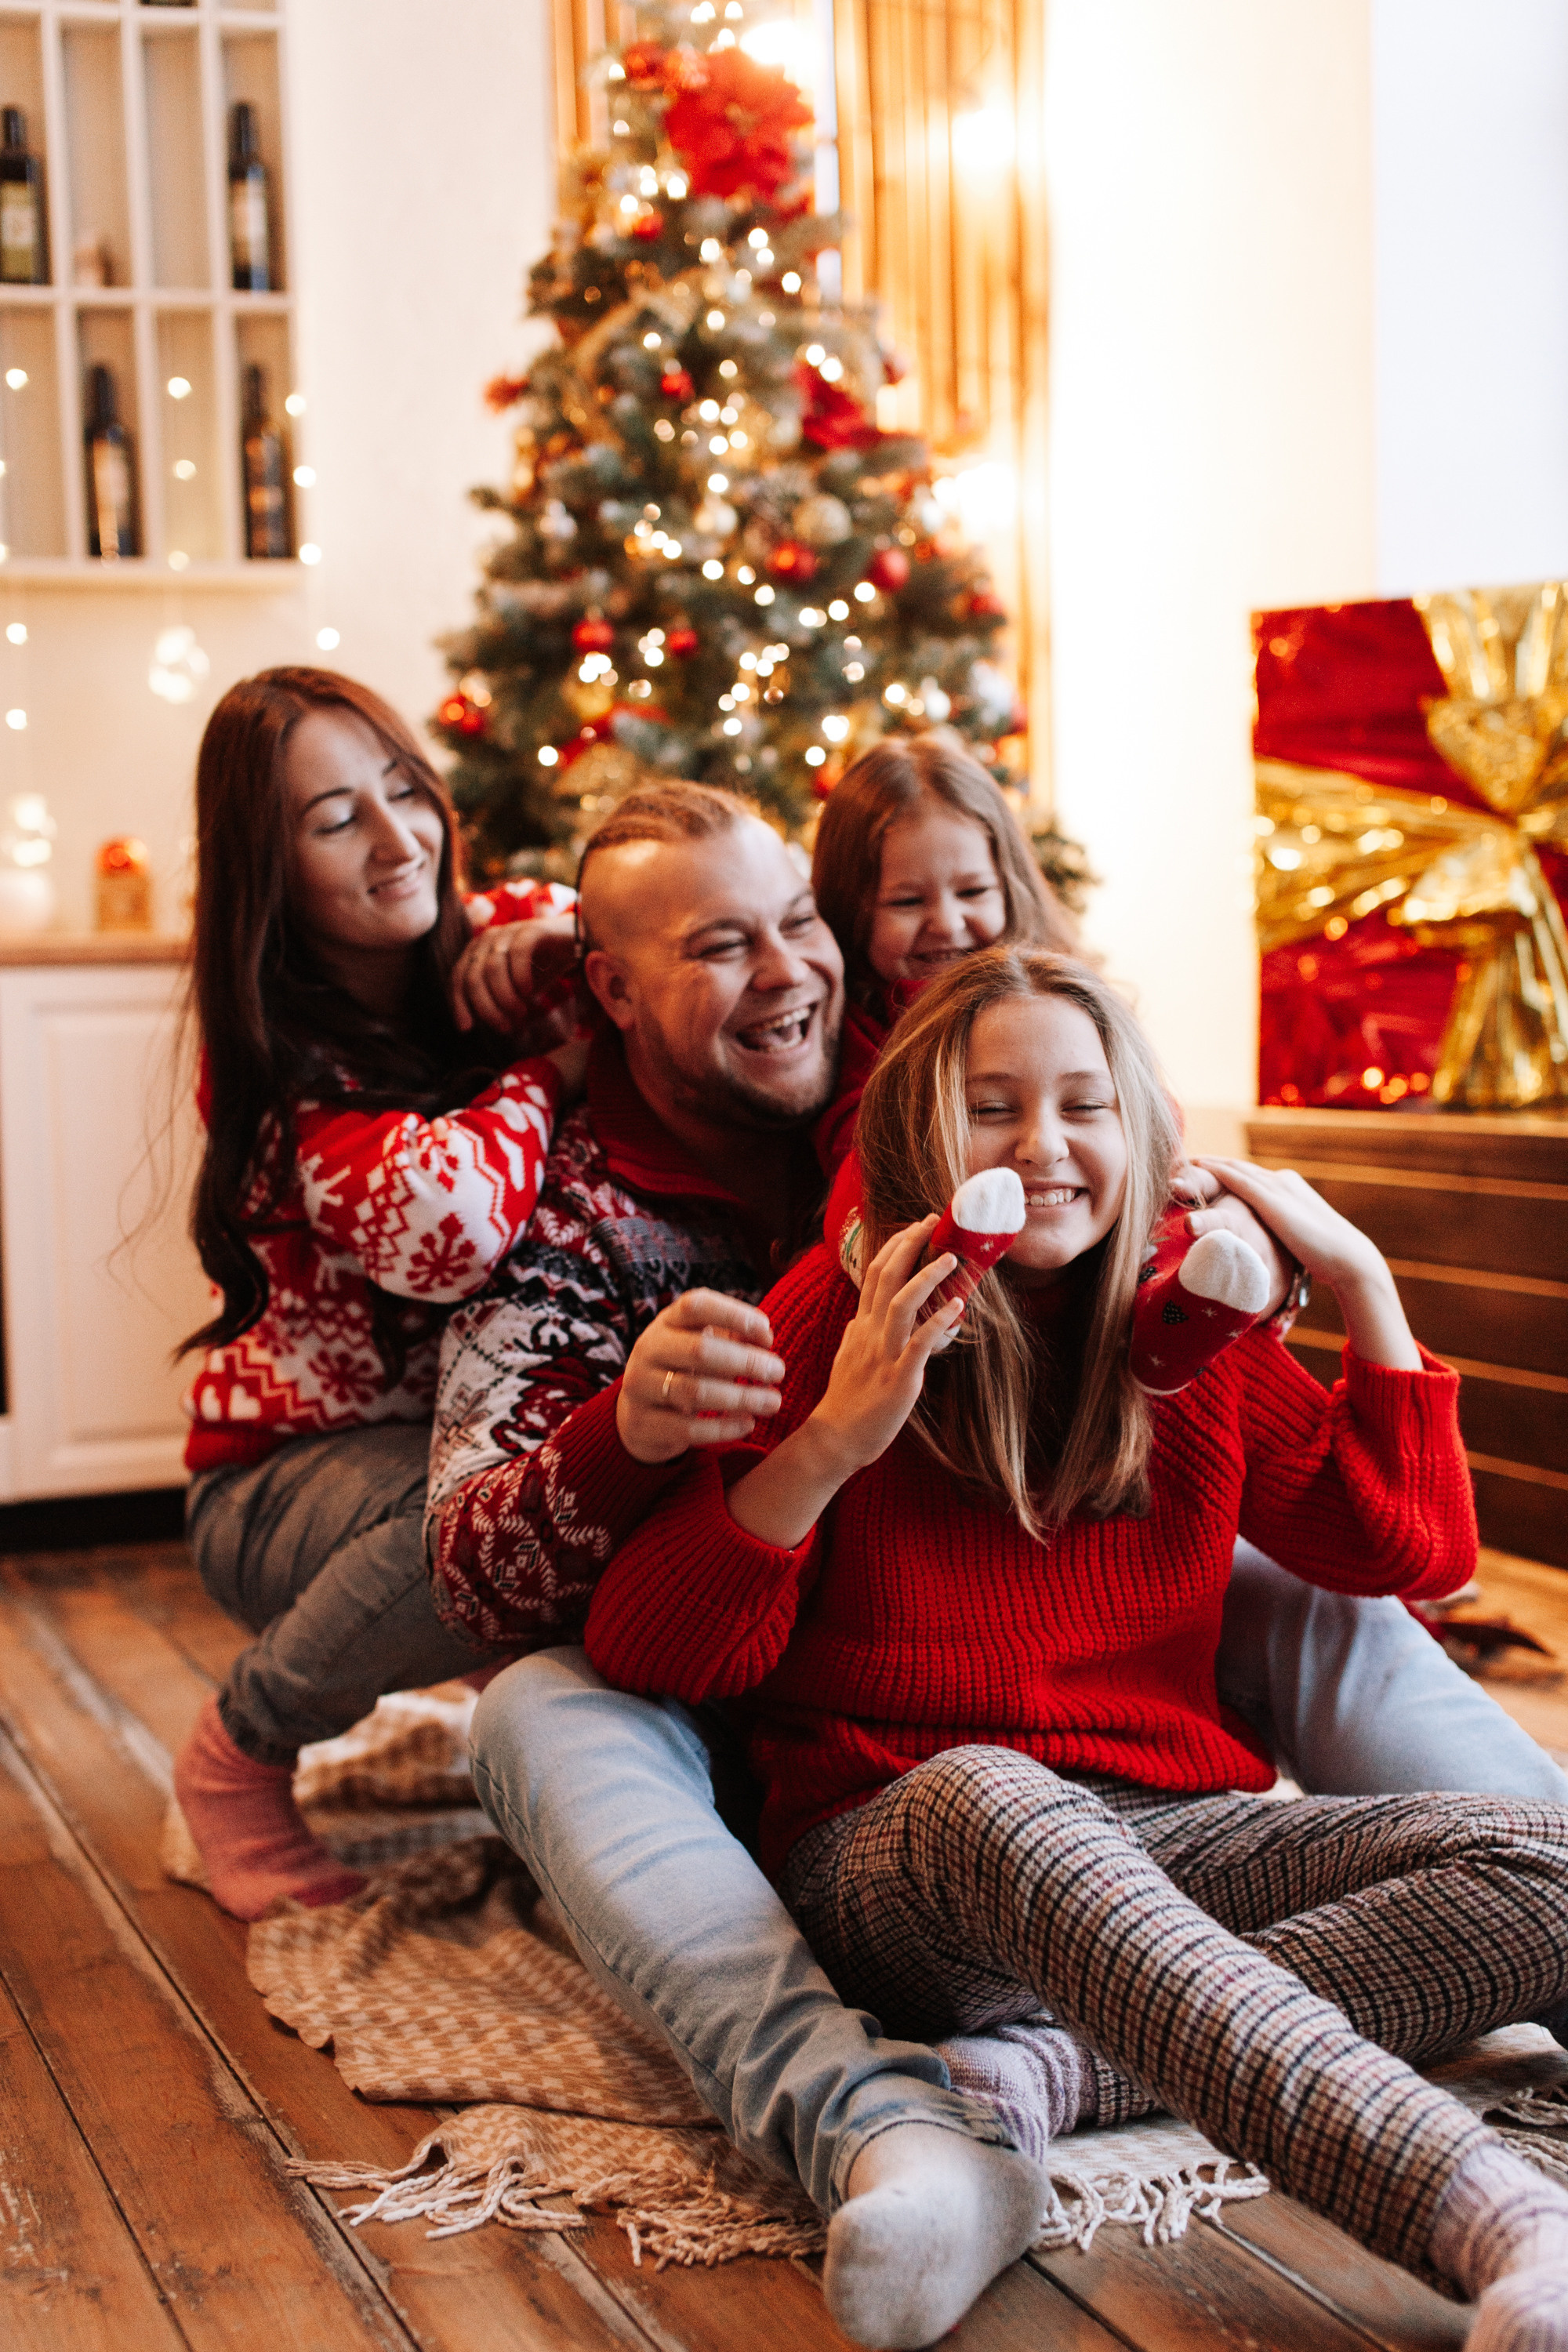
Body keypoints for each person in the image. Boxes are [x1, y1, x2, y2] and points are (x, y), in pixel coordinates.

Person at [429, 784, 1568, 2261]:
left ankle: (1057, 2075)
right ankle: (1495, 2228)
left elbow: (1411, 1555)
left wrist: (1365, 1286)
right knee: (996, 1795)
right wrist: (834, 1439)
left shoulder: (1190, 1334)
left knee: (1545, 1865)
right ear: (921, 1130)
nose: (1045, 1146)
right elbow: (654, 1650)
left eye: (1085, 1108)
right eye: (994, 1107)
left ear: (1143, 1132)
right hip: (914, 1850)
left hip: (1165, 1832)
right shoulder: (849, 1309)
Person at [169, 666, 581, 1921]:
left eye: (405, 790)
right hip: (277, 1488)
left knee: (576, 1471)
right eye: (337, 819)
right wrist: (547, 1072)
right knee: (483, 1508)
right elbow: (444, 1233)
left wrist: (563, 951)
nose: (400, 840)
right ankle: (239, 1756)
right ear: (270, 870)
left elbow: (652, 940)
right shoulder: (284, 1058)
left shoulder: (505, 928)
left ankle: (531, 1732)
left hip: (440, 1445)